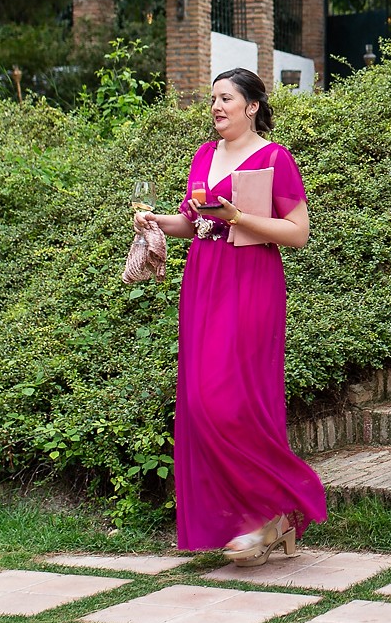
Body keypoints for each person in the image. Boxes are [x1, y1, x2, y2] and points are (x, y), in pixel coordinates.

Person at [133, 68, 322, 565]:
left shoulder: (275, 158)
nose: (216, 107)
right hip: (204, 281)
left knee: (236, 402)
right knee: (199, 402)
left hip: (253, 282)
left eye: (226, 99)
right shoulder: (203, 155)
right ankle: (265, 519)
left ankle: (269, 515)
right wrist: (155, 221)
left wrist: (238, 217)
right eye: (213, 99)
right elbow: (191, 223)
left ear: (252, 106)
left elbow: (298, 233)